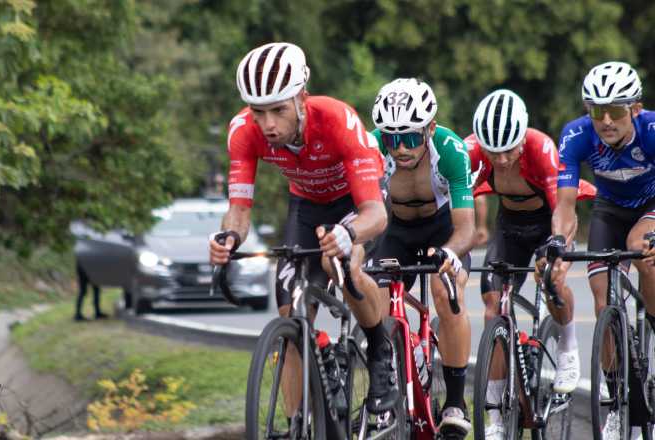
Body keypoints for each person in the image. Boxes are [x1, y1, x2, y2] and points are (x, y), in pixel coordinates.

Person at [207, 42, 393, 419]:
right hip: (307, 205)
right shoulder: (244, 132)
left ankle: (378, 349)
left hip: (358, 202)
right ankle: (298, 420)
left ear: (301, 99)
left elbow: (375, 213)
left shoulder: (338, 120)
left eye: (278, 110)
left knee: (343, 266)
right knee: (289, 307)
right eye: (258, 112)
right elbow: (238, 212)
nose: (268, 124)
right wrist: (228, 237)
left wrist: (350, 234)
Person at [465, 89, 596, 439]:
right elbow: (458, 200)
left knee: (552, 280)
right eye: (495, 151)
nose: (503, 159)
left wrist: (557, 252)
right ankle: (493, 415)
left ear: (523, 137)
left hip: (547, 224)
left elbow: (562, 208)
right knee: (493, 308)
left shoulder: (541, 150)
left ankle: (567, 346)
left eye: (509, 149)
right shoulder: (472, 152)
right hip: (508, 228)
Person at [544, 61, 655, 438]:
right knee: (601, 295)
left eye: (617, 111)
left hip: (651, 208)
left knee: (640, 247)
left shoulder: (652, 131)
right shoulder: (576, 135)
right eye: (596, 110)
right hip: (610, 210)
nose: (606, 120)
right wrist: (558, 240)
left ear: (635, 109)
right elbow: (565, 203)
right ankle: (618, 395)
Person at [361, 77, 475, 438]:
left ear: (431, 128)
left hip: (444, 231)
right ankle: (388, 381)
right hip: (395, 231)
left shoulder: (452, 150)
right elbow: (364, 212)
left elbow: (467, 230)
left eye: (410, 137)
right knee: (373, 300)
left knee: (446, 291)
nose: (401, 149)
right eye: (392, 139)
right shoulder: (371, 149)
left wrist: (448, 253)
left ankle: (455, 401)